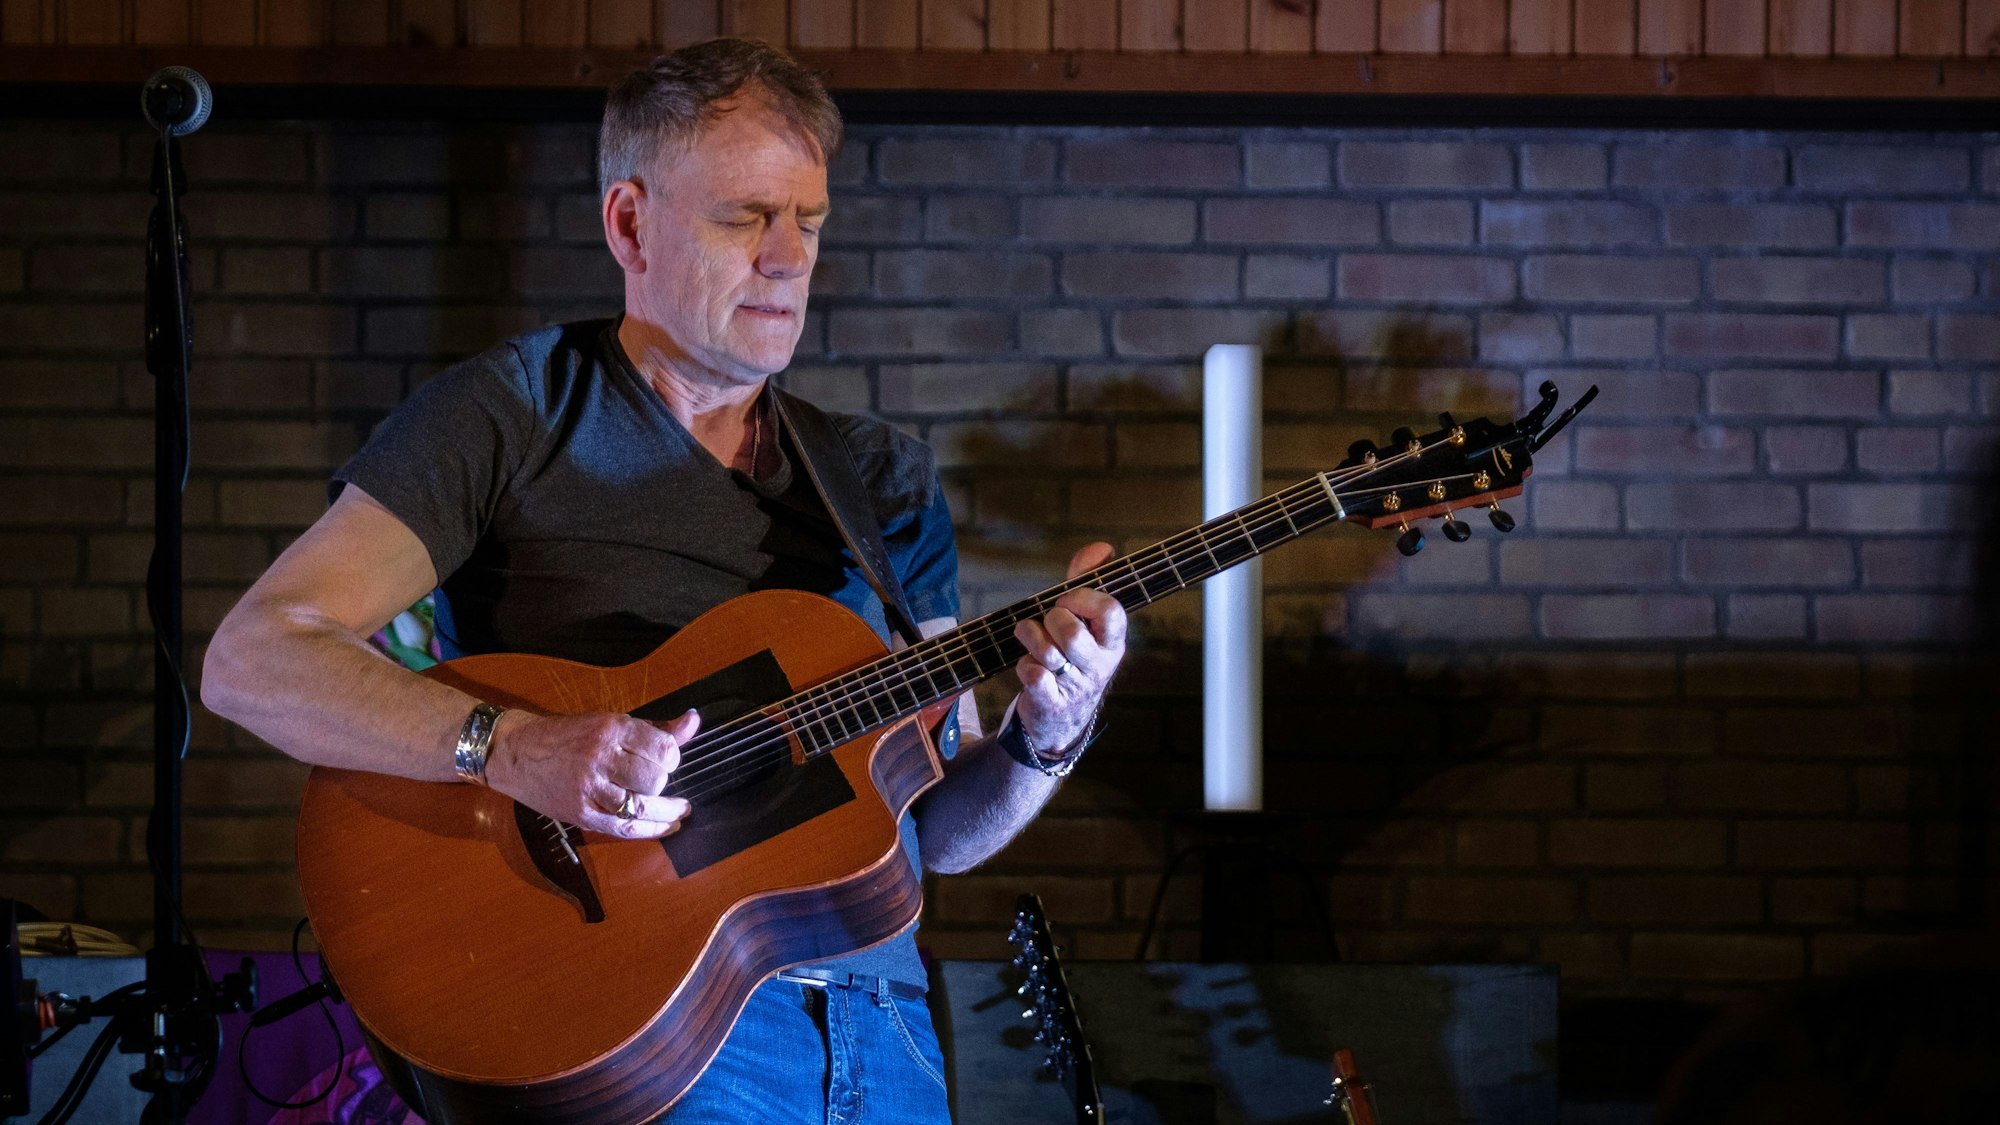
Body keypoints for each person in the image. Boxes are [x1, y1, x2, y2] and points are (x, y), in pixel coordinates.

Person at [201, 37, 1126, 1125]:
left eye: (809, 221)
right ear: (629, 223)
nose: (788, 258)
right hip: (644, 1039)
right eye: (745, 217)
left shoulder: (877, 479)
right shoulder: (512, 413)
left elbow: (934, 826)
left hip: (887, 1041)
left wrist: (1045, 733)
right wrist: (511, 748)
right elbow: (255, 658)